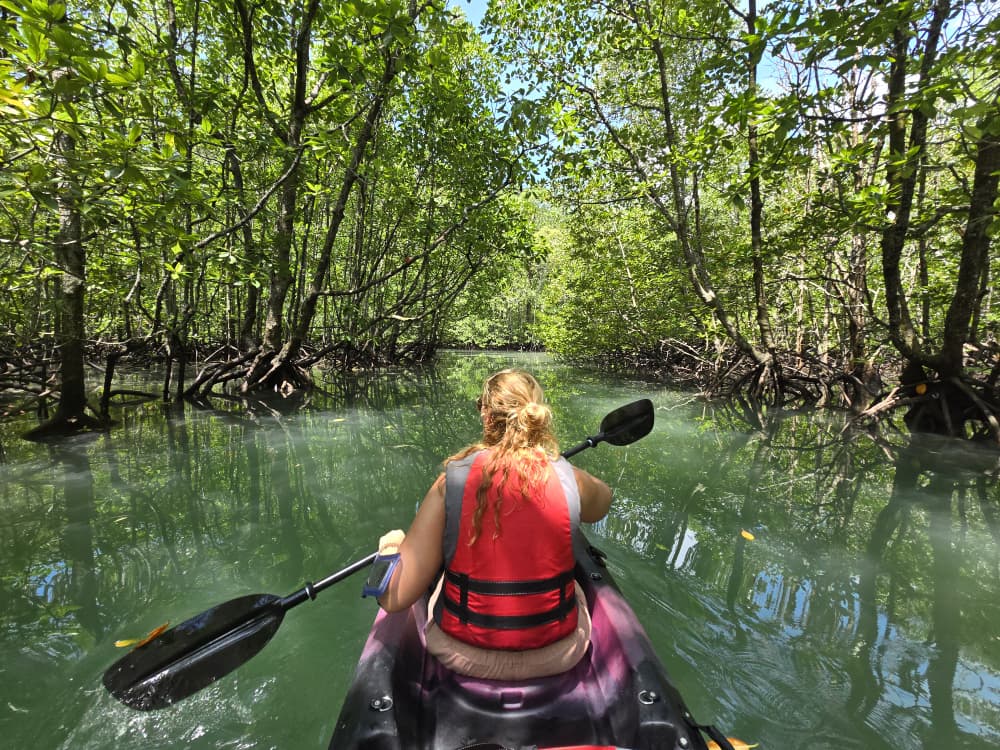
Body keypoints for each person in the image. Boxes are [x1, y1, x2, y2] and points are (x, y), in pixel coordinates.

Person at [374, 369, 612, 680]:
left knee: (433, 578)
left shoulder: (451, 481)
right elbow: (604, 502)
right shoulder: (567, 475)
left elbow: (393, 599)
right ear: (534, 414)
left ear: (487, 415)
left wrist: (390, 545)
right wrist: (561, 467)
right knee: (577, 583)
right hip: (558, 653)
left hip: (460, 654)